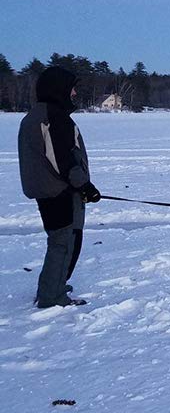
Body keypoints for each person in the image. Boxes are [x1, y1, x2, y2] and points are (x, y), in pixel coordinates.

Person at [18, 66, 101, 308]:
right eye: (72, 88)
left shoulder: (37, 115)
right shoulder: (53, 117)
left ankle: (52, 287)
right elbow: (62, 160)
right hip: (59, 192)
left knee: (63, 241)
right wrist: (84, 185)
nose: (74, 93)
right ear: (59, 89)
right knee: (63, 243)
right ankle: (51, 296)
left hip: (50, 190)